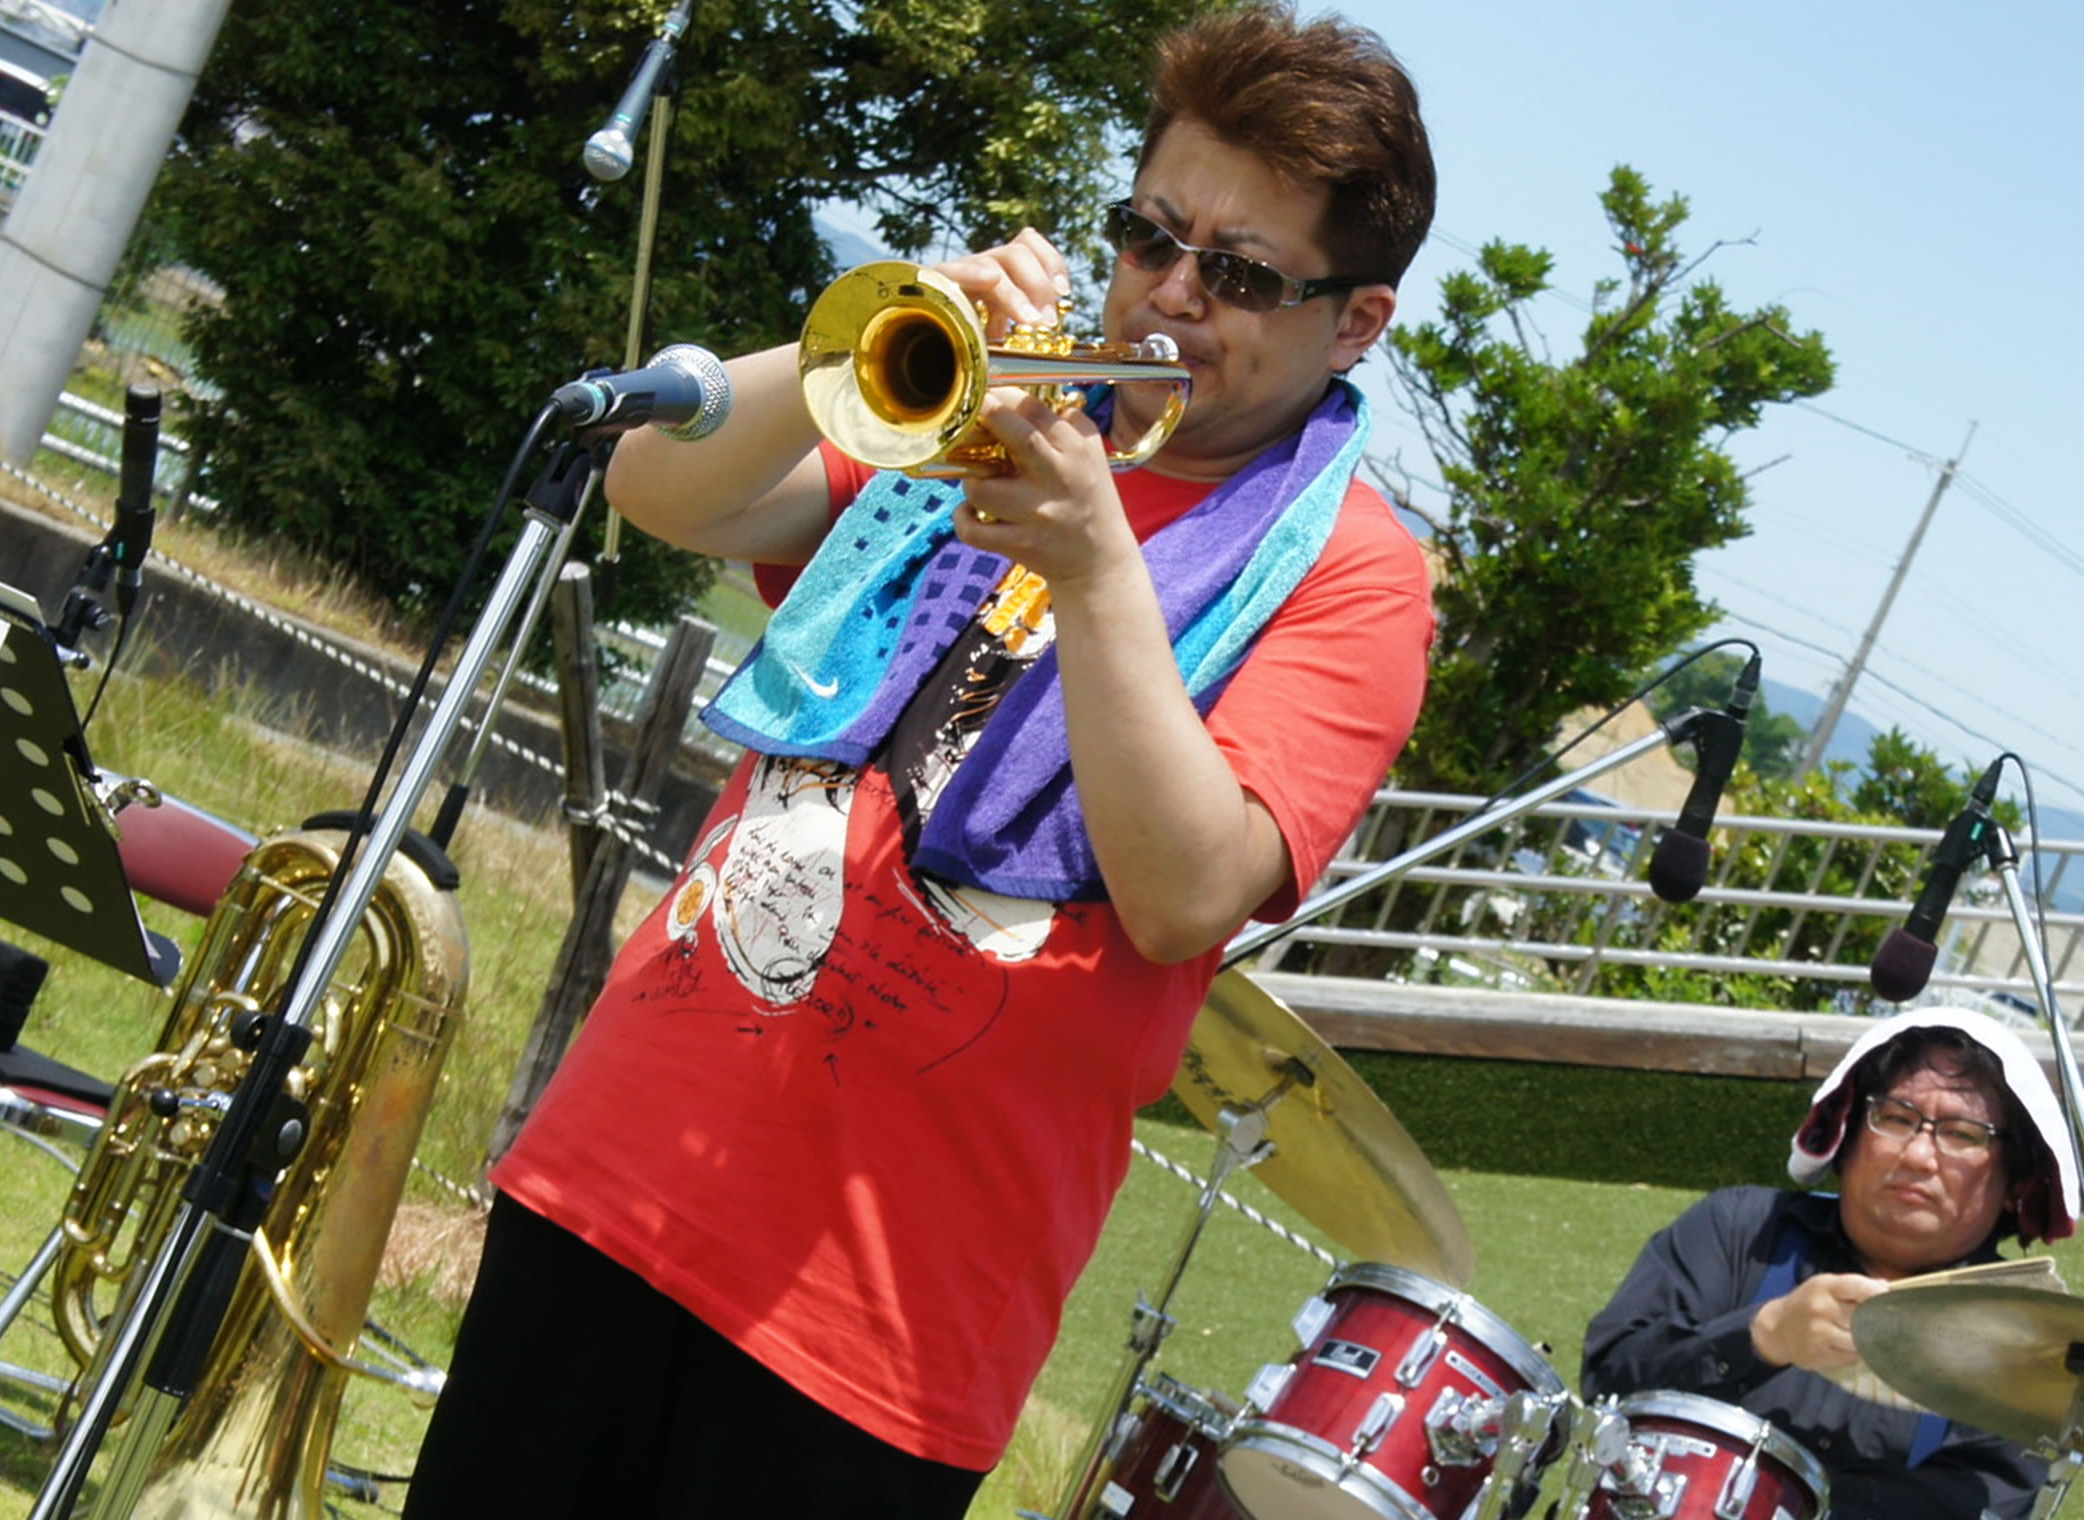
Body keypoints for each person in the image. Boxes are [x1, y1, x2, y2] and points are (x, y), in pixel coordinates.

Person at [404, 6, 1437, 1515]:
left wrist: (1098, 570)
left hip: (880, 1318)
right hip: (620, 1172)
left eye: (1240, 274)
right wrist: (877, 333)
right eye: (1150, 237)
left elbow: (1184, 893)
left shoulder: (1359, 575)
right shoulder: (1003, 395)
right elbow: (665, 491)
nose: (1169, 293)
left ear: (1355, 321)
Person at [1583, 1006, 2081, 1520]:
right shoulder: (1741, 1229)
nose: (1917, 1156)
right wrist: (1762, 1336)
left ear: (2016, 1184)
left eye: (1961, 1134)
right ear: (1846, 1132)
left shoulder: (2028, 1348)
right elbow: (1606, 1384)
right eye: (1896, 1118)